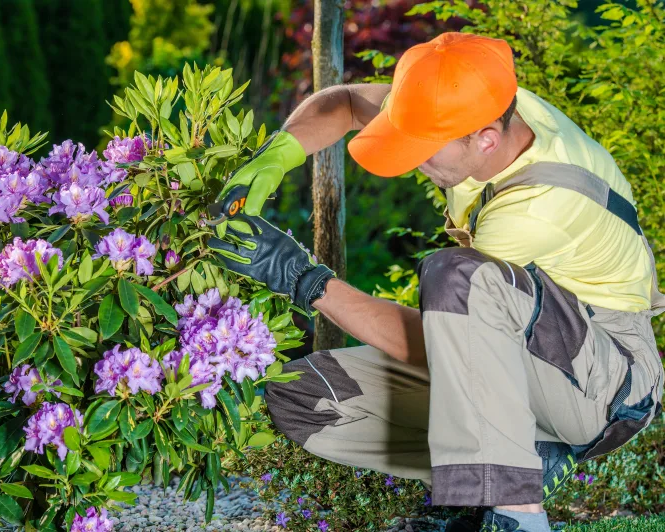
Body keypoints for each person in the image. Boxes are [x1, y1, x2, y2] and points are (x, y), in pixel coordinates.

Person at [207, 32, 664, 532]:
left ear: (486, 138)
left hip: (607, 381)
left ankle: (517, 514)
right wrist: (273, 160)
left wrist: (300, 277)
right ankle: (525, 460)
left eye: (424, 149)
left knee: (455, 276)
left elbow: (446, 347)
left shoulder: (537, 208)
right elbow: (342, 102)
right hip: (523, 356)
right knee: (301, 396)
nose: (411, 161)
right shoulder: (478, 102)